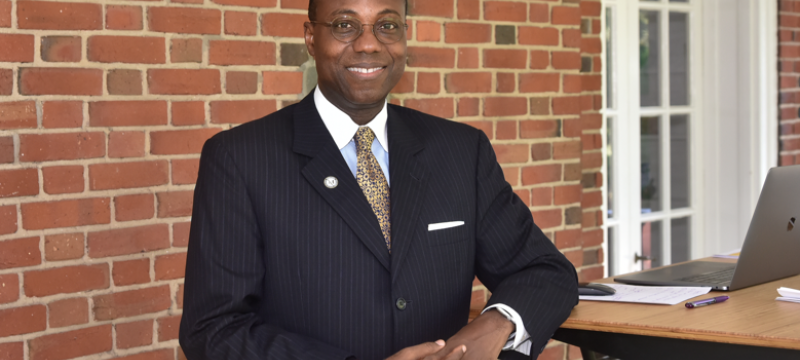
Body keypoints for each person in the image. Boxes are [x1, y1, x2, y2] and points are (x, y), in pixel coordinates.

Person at [178, 0, 578, 358]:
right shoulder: (240, 158)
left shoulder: (461, 151)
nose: (369, 44)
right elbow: (212, 328)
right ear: (310, 37)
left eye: (387, 26)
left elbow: (544, 270)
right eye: (344, 25)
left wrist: (494, 325)